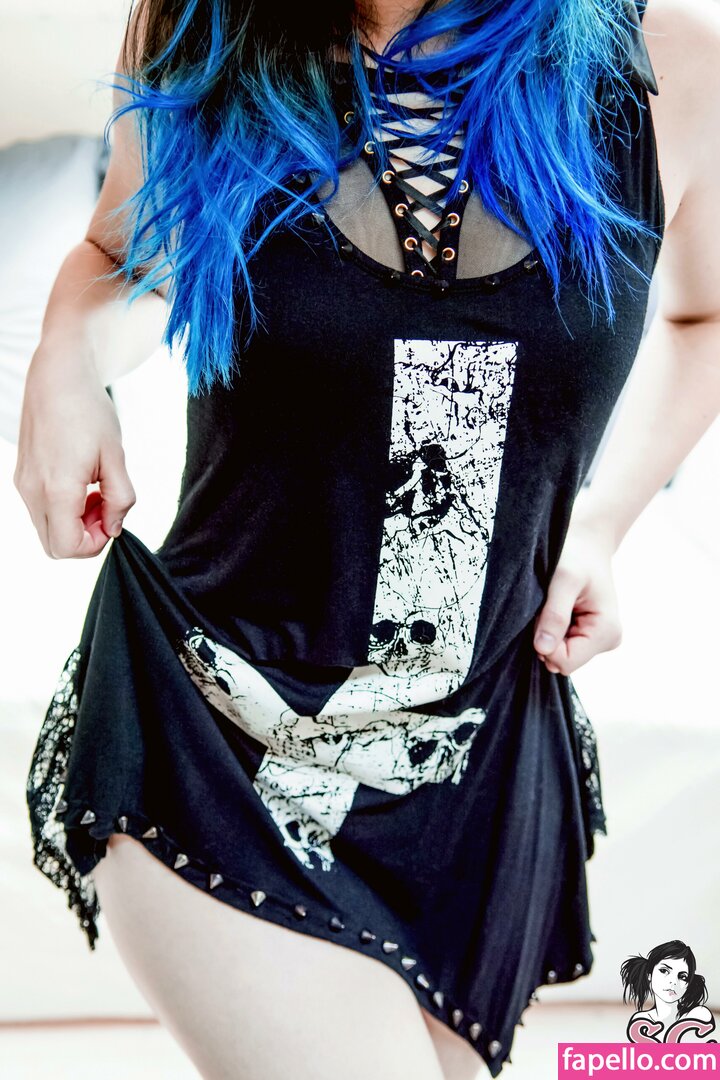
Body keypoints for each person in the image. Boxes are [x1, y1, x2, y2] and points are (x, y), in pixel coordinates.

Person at [16, 1, 720, 1078]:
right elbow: (125, 254)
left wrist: (603, 518)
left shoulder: (668, 67)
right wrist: (65, 355)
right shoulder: (204, 23)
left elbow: (702, 318)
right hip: (222, 729)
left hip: (473, 756)